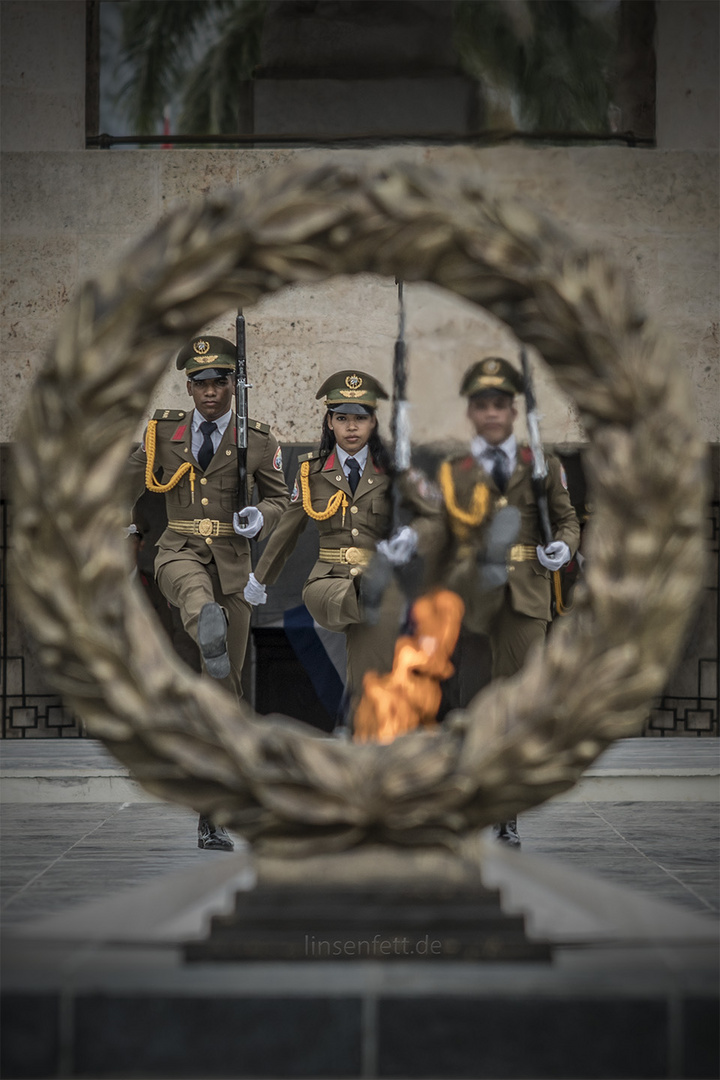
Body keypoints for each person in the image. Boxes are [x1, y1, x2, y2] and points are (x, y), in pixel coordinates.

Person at [126, 335, 289, 850]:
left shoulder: (257, 441)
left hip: (233, 563)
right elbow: (121, 481)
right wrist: (124, 530)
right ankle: (206, 623)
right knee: (196, 599)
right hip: (178, 549)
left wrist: (257, 516)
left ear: (232, 387)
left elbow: (283, 500)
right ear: (189, 388)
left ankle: (215, 809)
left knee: (224, 684)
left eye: (220, 382)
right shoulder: (162, 433)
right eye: (201, 384)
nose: (211, 392)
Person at [433, 356, 581, 847]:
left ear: (513, 412)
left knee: (516, 700)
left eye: (500, 404)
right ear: (472, 414)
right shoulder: (456, 470)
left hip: (526, 594)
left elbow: (567, 520)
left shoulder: (542, 463)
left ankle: (506, 809)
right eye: (483, 406)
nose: (492, 414)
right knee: (472, 701)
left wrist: (564, 546)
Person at [244, 370, 407, 721]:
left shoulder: (393, 473)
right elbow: (287, 531)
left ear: (373, 423)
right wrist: (260, 578)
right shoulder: (311, 473)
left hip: (379, 582)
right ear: (329, 421)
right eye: (342, 418)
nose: (351, 427)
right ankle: (365, 594)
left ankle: (364, 736)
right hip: (328, 582)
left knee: (370, 676)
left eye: (360, 418)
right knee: (361, 596)